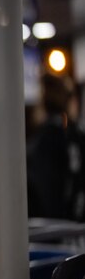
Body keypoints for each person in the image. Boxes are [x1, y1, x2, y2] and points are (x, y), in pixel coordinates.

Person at [27, 73, 85, 223]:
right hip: (75, 231)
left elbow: (44, 192)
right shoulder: (75, 134)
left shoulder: (48, 138)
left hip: (55, 232)